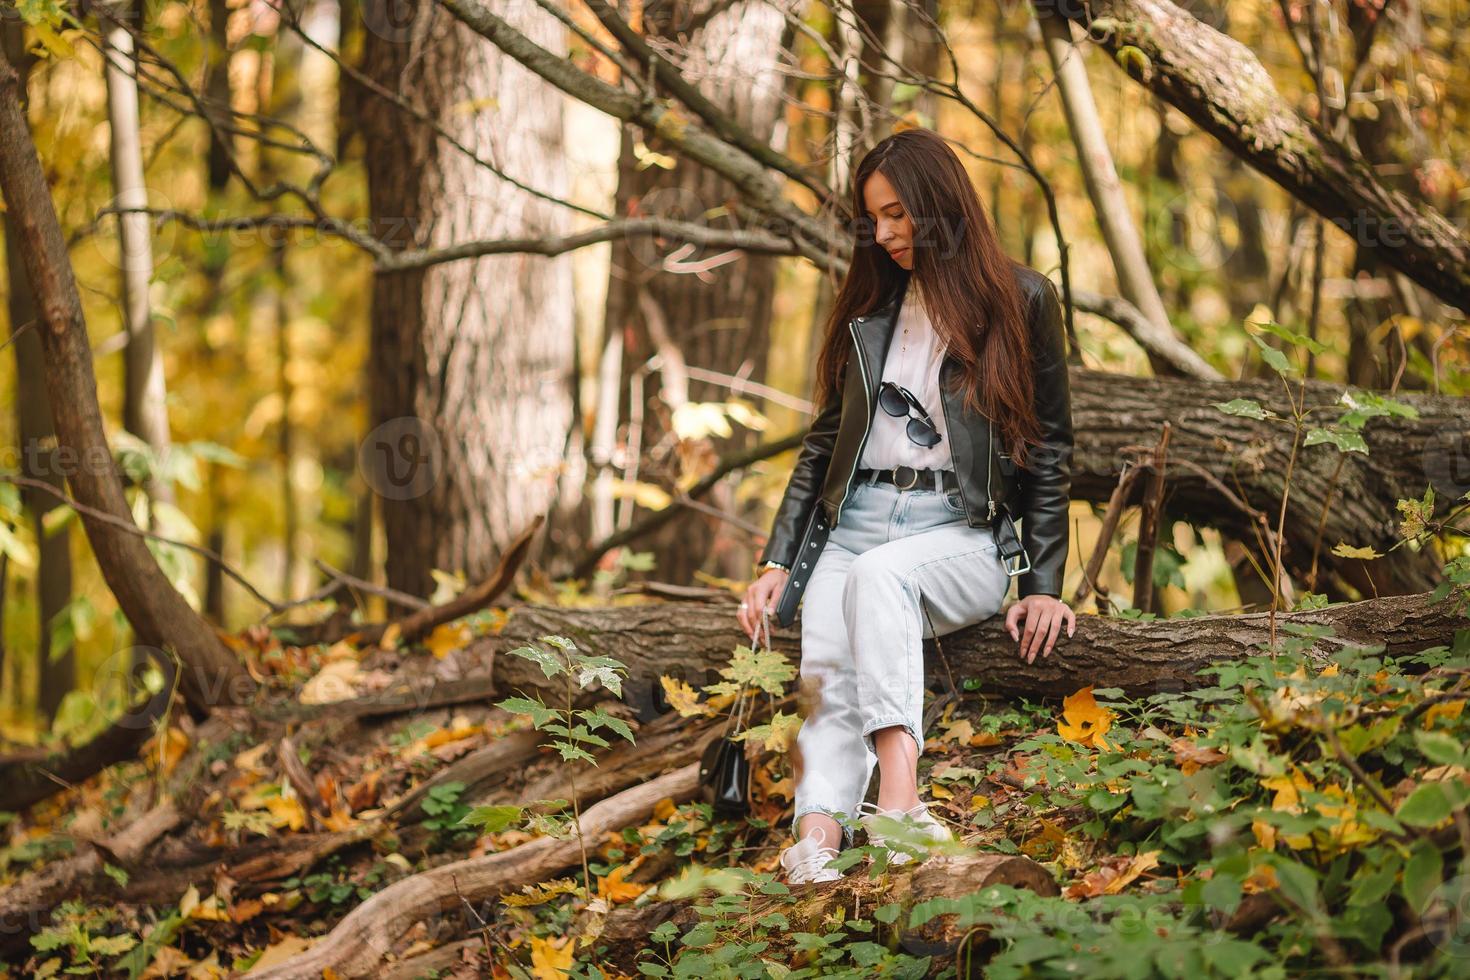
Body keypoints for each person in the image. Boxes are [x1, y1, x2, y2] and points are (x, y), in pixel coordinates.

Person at [735, 127, 1076, 884]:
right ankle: (817, 840)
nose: (883, 233)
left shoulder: (1023, 300)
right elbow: (823, 445)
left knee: (880, 579)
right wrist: (776, 559)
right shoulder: (871, 310)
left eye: (897, 214)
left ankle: (898, 806)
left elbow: (1050, 451)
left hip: (961, 534)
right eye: (873, 219)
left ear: (938, 204)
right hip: (850, 525)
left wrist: (1044, 585)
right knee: (825, 665)